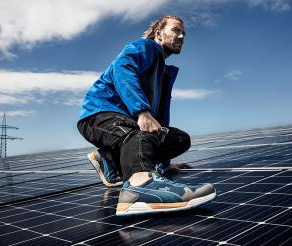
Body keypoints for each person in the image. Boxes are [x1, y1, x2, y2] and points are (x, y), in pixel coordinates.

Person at [77, 16, 216, 216]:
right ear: (159, 33)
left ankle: (110, 159)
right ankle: (138, 188)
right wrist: (141, 111)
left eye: (183, 33)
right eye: (176, 30)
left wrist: (166, 164)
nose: (181, 36)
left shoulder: (163, 74)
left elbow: (157, 124)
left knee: (180, 139)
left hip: (127, 124)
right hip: (99, 115)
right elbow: (122, 68)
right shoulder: (146, 47)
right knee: (136, 133)